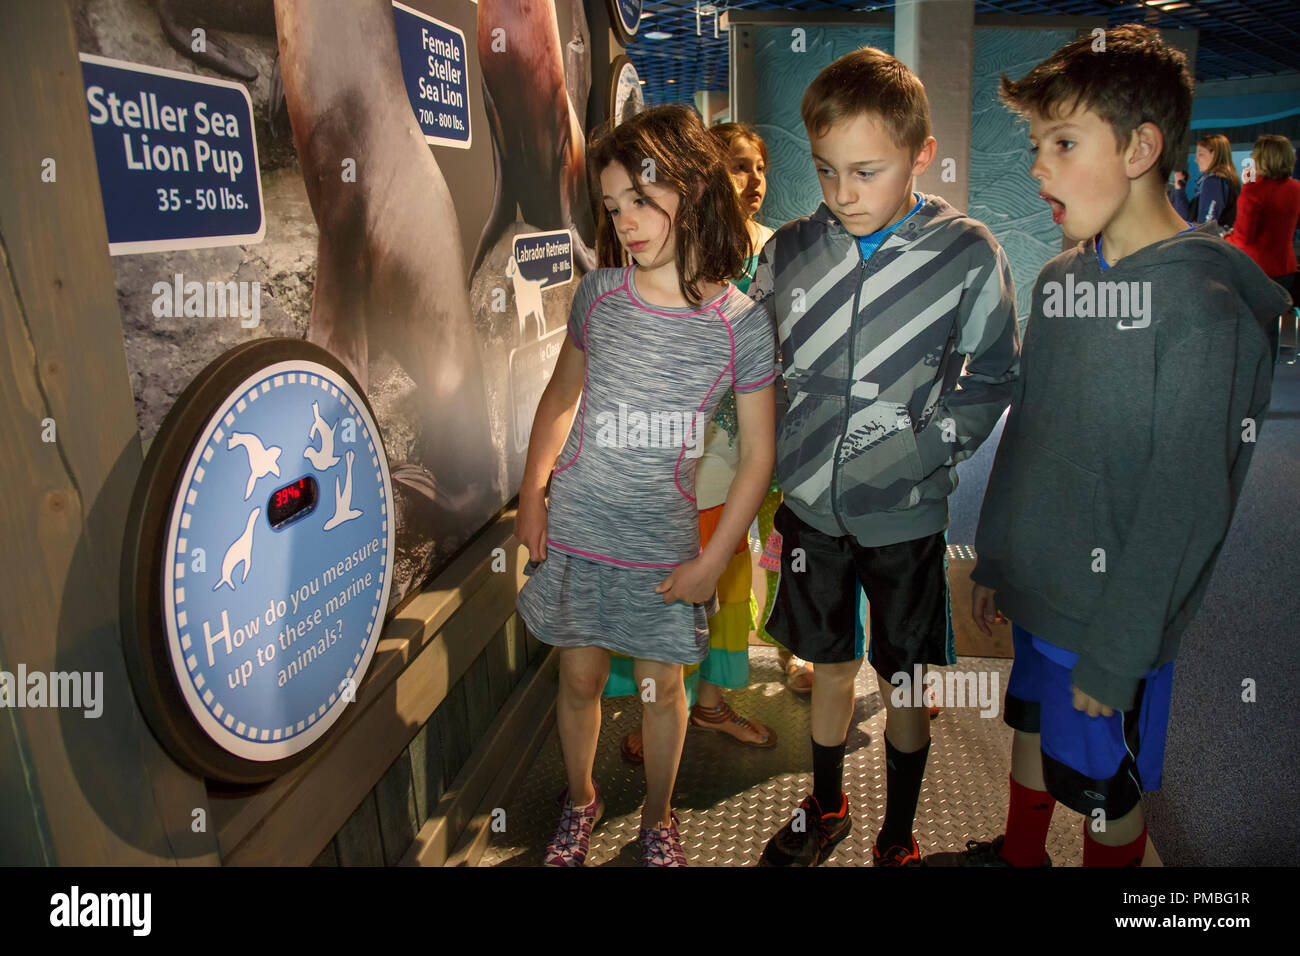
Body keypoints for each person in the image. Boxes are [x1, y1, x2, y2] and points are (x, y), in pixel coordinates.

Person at [931, 24, 1286, 869]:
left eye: (1061, 142)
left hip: (1108, 627)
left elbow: (1186, 504)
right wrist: (998, 562)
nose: (1038, 167)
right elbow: (1032, 434)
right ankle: (1018, 858)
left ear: (1141, 147)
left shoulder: (1202, 311)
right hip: (1040, 593)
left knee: (1105, 799)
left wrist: (1121, 651)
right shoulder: (1060, 282)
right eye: (1034, 145)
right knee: (1030, 734)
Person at [749, 46, 1020, 867]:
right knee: (826, 665)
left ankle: (897, 833)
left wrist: (928, 452)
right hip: (807, 509)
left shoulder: (968, 254)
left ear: (921, 156)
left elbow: (994, 374)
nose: (842, 194)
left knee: (905, 680)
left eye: (866, 171)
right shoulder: (788, 252)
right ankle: (825, 804)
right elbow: (756, 369)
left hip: (906, 513)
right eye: (826, 171)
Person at [514, 104, 778, 866]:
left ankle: (657, 819)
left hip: (665, 540)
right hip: (582, 530)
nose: (625, 221)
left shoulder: (740, 322)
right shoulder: (597, 295)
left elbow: (758, 457)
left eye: (641, 198)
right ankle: (581, 801)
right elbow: (561, 398)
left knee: (667, 692)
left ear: (692, 189)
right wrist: (533, 494)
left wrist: (713, 560)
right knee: (580, 679)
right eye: (613, 205)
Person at [611, 122, 782, 764]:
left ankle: (707, 706)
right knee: (665, 597)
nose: (749, 181)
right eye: (733, 167)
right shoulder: (646, 260)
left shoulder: (770, 253)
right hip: (667, 476)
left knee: (729, 588)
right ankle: (663, 712)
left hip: (734, 465)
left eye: (755, 167)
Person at [1226, 134, 1300, 363]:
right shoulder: (1296, 188)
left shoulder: (1253, 191)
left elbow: (1244, 238)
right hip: (1286, 268)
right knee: (1269, 331)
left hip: (1256, 270)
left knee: (1250, 331)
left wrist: (1224, 239)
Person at [1171, 132, 1240, 230]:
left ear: (1214, 154)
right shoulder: (1226, 180)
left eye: (1201, 154)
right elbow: (1186, 219)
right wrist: (1179, 189)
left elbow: (1205, 227)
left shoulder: (1213, 183)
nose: (1196, 159)